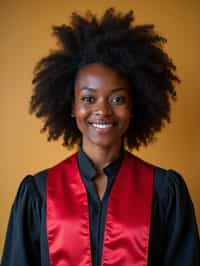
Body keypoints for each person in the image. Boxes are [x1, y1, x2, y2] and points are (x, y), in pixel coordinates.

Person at [1, 7, 200, 266]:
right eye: (88, 98)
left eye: (117, 99)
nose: (103, 111)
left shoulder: (164, 191)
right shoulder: (37, 192)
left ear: (133, 106)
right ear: (72, 106)